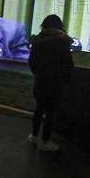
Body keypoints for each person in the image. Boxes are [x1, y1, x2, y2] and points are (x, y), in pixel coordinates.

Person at [28, 14, 74, 151]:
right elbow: (68, 64)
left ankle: (34, 136)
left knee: (39, 109)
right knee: (51, 113)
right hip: (56, 82)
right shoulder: (62, 42)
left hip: (40, 81)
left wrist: (38, 73)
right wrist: (66, 79)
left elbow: (32, 62)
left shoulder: (37, 41)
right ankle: (45, 141)